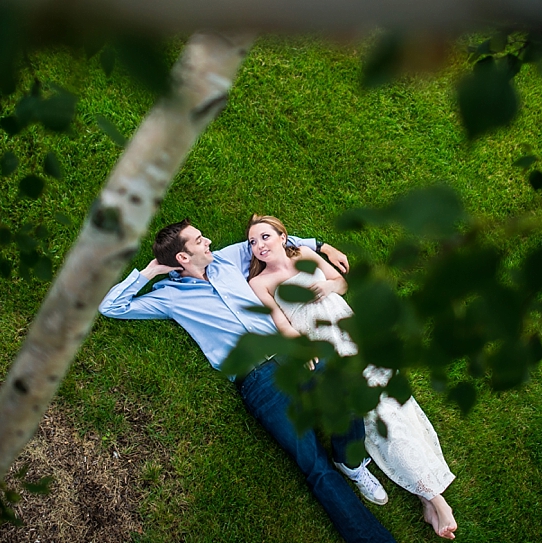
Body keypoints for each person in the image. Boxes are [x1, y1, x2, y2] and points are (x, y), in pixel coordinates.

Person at [98, 219, 396, 543]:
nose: (208, 240)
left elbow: (276, 239)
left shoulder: (227, 259)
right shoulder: (167, 296)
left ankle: (350, 460)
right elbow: (111, 306)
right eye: (199, 240)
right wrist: (152, 270)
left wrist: (322, 246)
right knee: (313, 466)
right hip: (258, 383)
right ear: (183, 257)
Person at [246, 214, 458, 541]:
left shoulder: (303, 254)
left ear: (282, 236)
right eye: (252, 242)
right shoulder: (260, 283)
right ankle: (433, 498)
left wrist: (327, 285)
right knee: (374, 411)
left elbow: (341, 283)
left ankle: (427, 495)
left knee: (391, 401)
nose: (259, 246)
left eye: (264, 236)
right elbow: (282, 324)